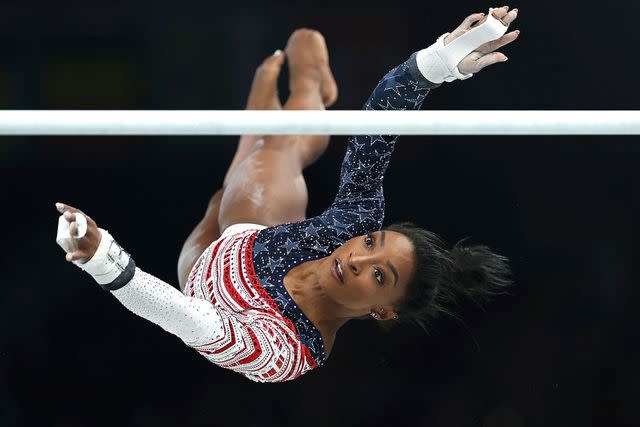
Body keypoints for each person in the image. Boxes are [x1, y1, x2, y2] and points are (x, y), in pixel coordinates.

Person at [56, 6, 519, 383]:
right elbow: (376, 124)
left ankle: (272, 117)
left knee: (227, 186)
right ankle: (307, 91)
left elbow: (186, 319)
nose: (357, 259)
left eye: (380, 278)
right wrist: (440, 62)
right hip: (253, 227)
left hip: (197, 277)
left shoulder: (287, 351)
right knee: (270, 153)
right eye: (371, 245)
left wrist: (104, 259)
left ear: (383, 311)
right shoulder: (353, 224)